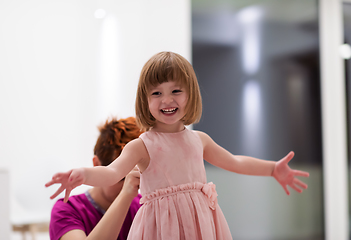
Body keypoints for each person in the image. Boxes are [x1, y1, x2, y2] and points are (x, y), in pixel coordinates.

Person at [46, 51, 310, 240]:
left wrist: (273, 169)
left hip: (201, 225)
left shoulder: (199, 140)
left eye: (176, 91)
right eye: (156, 93)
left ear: (190, 94)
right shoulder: (142, 145)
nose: (166, 99)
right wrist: (82, 174)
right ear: (145, 100)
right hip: (160, 229)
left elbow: (235, 161)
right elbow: (112, 172)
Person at [49, 117, 142, 240]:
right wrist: (126, 194)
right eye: (122, 178)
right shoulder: (66, 210)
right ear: (97, 164)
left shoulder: (142, 206)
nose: (131, 185)